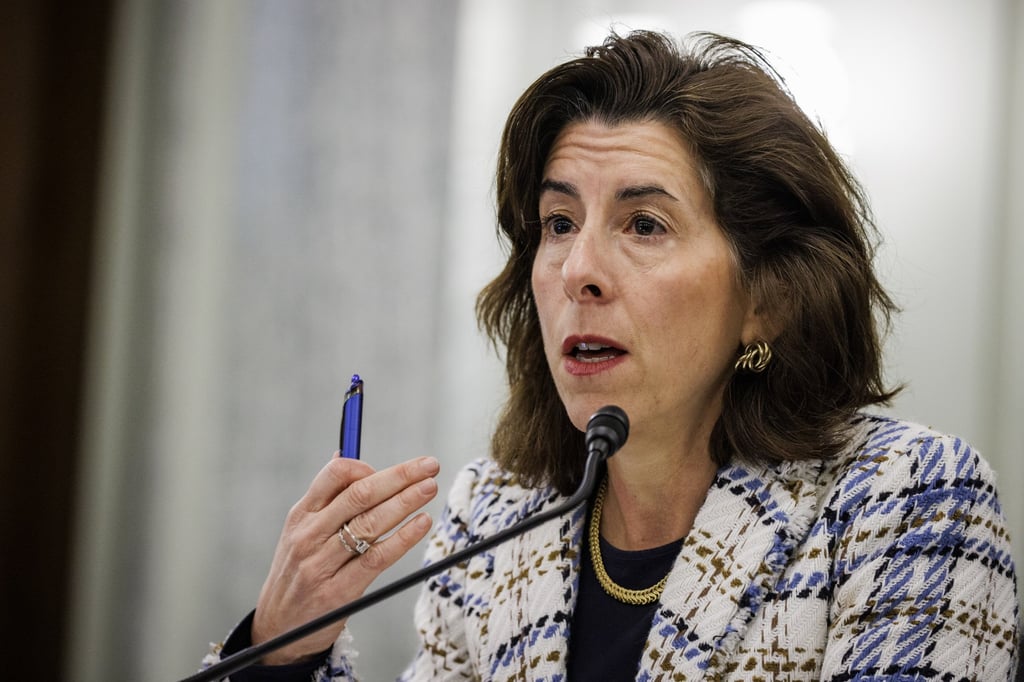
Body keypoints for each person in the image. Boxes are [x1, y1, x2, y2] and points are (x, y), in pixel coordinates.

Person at [202, 30, 1019, 680]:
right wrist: (282, 650)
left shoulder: (910, 504)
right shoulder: (498, 519)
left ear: (766, 299)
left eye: (644, 225)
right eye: (559, 223)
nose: (579, 271)